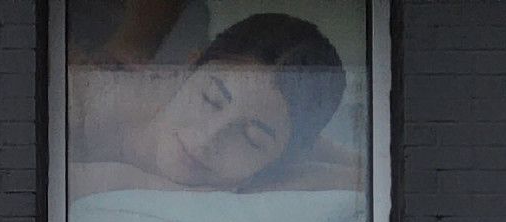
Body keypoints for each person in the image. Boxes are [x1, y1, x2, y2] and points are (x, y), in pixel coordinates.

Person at [69, 13, 349, 198]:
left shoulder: (288, 148)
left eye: (252, 139)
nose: (207, 139)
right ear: (187, 68)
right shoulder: (81, 109)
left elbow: (352, 172)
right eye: (211, 100)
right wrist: (136, 182)